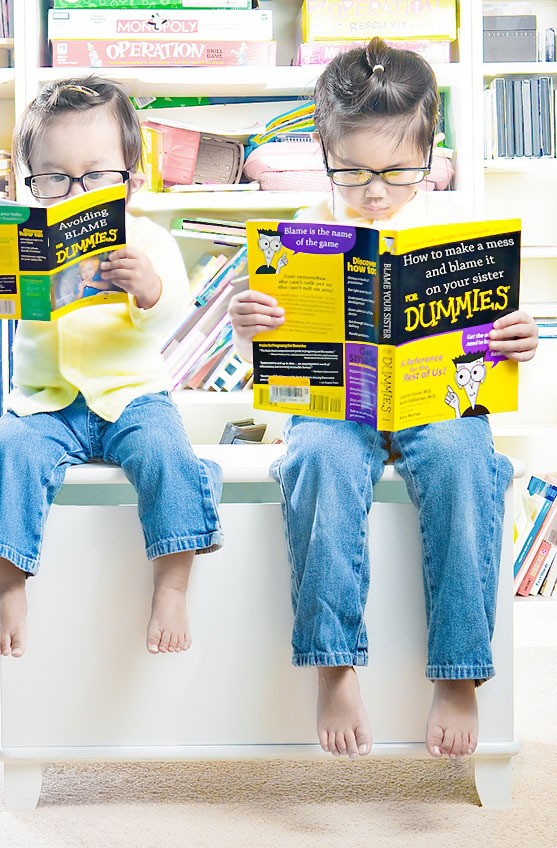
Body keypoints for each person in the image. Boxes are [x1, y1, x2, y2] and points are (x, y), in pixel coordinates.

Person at [229, 38, 539, 761]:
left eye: (399, 171)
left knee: (470, 465)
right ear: (322, 151)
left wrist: (516, 336)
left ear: (433, 153)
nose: (375, 192)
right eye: (354, 172)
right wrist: (251, 328)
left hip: (438, 402)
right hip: (336, 408)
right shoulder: (298, 236)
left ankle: (460, 672)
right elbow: (272, 361)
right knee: (317, 462)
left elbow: (492, 339)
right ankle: (333, 662)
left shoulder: (455, 231)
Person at [0, 76, 223, 660]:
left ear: (131, 183)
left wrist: (149, 289)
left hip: (133, 395)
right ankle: (8, 589)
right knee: (5, 454)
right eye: (54, 177)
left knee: (169, 455)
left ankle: (172, 582)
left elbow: (174, 318)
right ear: (28, 183)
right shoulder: (24, 238)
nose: (74, 190)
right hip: (44, 402)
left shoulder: (148, 241)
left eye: (95, 176)